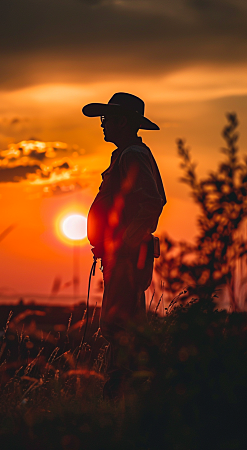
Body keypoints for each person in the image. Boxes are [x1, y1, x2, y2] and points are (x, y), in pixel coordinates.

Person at [82, 92, 166, 399]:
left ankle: (120, 394)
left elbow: (152, 201)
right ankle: (132, 393)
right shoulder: (127, 154)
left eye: (107, 119)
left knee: (119, 325)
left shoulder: (132, 154)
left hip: (127, 256)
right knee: (124, 324)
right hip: (121, 256)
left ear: (123, 121)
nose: (103, 125)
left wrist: (126, 244)